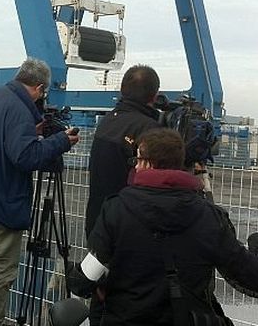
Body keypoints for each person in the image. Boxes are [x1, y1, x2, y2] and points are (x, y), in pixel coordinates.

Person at [68, 128, 258, 326]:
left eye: (137, 160)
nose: (135, 166)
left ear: (147, 163)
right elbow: (257, 280)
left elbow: (85, 280)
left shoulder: (116, 210)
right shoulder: (209, 217)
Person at [0, 58, 79, 326]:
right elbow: (25, 157)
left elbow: (1, 140)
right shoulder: (19, 110)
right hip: (2, 194)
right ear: (39, 87)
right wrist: (60, 141)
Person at [84, 65, 160, 324]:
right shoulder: (149, 129)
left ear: (122, 90)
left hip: (98, 224)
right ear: (153, 95)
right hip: (130, 233)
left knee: (100, 296)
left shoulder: (108, 121)